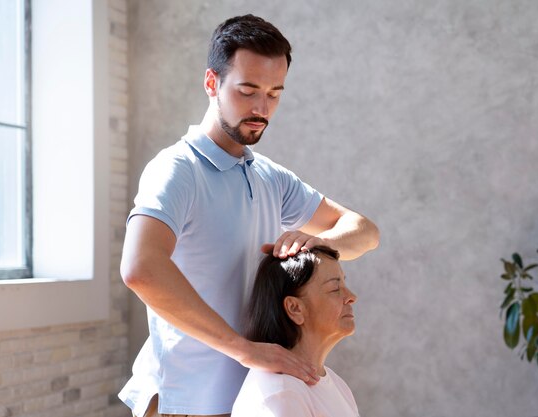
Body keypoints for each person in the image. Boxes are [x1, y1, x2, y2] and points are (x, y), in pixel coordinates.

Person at [118, 14, 379, 417]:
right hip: (188, 404)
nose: (262, 108)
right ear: (211, 83)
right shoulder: (176, 170)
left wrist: (324, 242)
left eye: (275, 93)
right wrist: (244, 351)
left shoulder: (269, 176)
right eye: (248, 90)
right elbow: (140, 268)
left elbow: (364, 231)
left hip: (251, 399)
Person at [231, 246, 360, 417]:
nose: (351, 296)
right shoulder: (281, 395)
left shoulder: (336, 384)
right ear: (295, 308)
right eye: (335, 289)